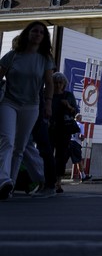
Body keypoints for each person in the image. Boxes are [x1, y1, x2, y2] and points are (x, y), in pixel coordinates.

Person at [0, 22, 55, 201]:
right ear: (28, 34)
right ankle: (3, 179)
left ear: (44, 37)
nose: (38, 34)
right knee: (7, 140)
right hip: (9, 103)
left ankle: (10, 185)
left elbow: (49, 83)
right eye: (34, 31)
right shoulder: (13, 56)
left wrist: (48, 103)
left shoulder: (45, 58)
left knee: (20, 147)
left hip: (31, 106)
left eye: (41, 32)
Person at [50, 72, 79, 194]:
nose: (57, 85)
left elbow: (75, 112)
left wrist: (68, 106)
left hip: (64, 130)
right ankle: (47, 181)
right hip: (49, 129)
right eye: (55, 82)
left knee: (61, 156)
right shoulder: (48, 95)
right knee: (47, 154)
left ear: (64, 84)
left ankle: (58, 182)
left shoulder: (68, 96)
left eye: (60, 83)